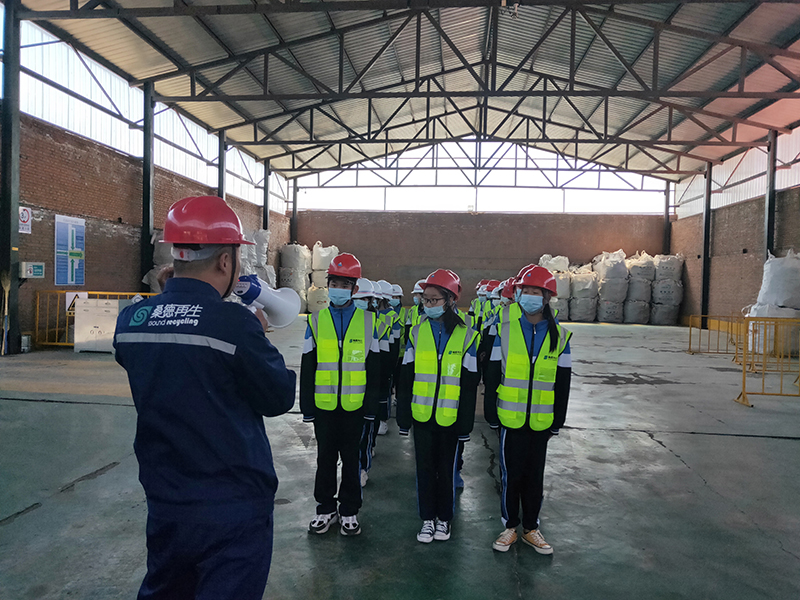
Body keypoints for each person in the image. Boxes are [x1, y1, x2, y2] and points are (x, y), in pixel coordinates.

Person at [113, 195, 296, 600]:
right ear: (225, 261)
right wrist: (257, 334)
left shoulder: (131, 320)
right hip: (232, 506)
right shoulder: (235, 325)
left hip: (166, 500)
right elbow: (279, 396)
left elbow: (161, 356)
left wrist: (171, 299)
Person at [483, 265, 572, 555]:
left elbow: (563, 382)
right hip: (510, 418)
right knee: (511, 475)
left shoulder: (561, 336)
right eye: (526, 291)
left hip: (541, 420)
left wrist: (558, 420)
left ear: (546, 298)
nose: (530, 296)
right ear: (518, 294)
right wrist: (491, 414)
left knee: (535, 476)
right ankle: (510, 526)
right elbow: (492, 374)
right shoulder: (504, 330)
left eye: (536, 292)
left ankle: (531, 528)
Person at [397, 269, 480, 544]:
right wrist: (403, 417)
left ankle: (444, 518)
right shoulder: (416, 332)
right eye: (426, 300)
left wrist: (465, 425)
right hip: (422, 415)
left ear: (451, 300)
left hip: (450, 418)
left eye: (434, 300)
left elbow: (469, 385)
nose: (428, 304)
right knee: (423, 470)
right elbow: (406, 378)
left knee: (446, 471)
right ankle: (427, 519)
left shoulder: (467, 336)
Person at [300, 253, 381, 536]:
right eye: (334, 283)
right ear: (328, 285)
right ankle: (325, 509)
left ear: (354, 288)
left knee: (351, 459)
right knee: (324, 458)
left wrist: (371, 408)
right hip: (324, 405)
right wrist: (307, 407)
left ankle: (349, 510)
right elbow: (308, 366)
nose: (339, 289)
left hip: (354, 406)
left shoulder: (369, 322)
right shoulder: (315, 321)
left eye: (345, 285)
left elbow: (375, 370)